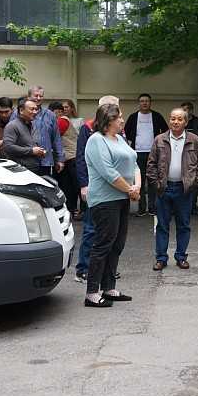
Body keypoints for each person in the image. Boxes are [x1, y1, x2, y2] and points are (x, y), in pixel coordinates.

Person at [83, 103, 139, 308]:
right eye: (119, 117)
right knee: (103, 244)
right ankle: (92, 292)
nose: (122, 120)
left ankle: (109, 287)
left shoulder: (120, 139)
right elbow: (108, 172)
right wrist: (130, 190)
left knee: (117, 244)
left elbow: (134, 164)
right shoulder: (96, 140)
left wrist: (136, 186)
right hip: (105, 200)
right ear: (108, 120)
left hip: (122, 198)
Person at [147, 108, 198, 271]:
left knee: (184, 225)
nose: (175, 122)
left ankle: (181, 257)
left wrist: (194, 183)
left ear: (186, 122)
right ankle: (161, 258)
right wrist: (156, 184)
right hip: (164, 188)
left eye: (180, 119)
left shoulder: (195, 140)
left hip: (184, 190)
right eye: (173, 118)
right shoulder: (159, 139)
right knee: (162, 225)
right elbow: (151, 164)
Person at [73, 95, 120, 284]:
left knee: (110, 233)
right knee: (91, 229)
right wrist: (84, 184)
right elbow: (81, 158)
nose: (117, 115)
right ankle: (84, 269)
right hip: (96, 187)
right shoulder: (88, 129)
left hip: (113, 189)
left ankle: (106, 269)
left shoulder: (118, 130)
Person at [125, 93, 168, 217]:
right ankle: (141, 208)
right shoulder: (133, 117)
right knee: (140, 180)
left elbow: (165, 131)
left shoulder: (156, 116)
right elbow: (126, 132)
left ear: (150, 103)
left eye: (147, 101)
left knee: (152, 180)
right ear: (139, 103)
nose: (144, 103)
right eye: (142, 101)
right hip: (137, 153)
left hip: (154, 153)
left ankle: (152, 208)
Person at [24, 85, 64, 177]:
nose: (38, 98)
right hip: (26, 161)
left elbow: (56, 138)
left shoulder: (50, 115)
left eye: (41, 96)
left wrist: (60, 159)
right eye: (36, 95)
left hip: (45, 162)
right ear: (28, 97)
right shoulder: (19, 114)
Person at [2, 98, 46, 174]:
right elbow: (8, 147)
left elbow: (30, 145)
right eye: (32, 109)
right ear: (21, 110)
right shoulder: (12, 126)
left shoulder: (33, 125)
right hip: (20, 171)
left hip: (35, 169)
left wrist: (39, 151)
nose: (35, 112)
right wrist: (31, 151)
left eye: (36, 109)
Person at [55, 100, 82, 220]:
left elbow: (54, 137)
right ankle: (72, 210)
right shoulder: (63, 120)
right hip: (69, 157)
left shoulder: (62, 121)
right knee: (69, 187)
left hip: (71, 157)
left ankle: (82, 211)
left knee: (76, 186)